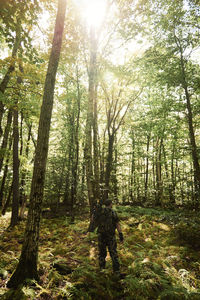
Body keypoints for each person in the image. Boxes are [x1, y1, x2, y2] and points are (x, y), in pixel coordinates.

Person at [88, 199, 124, 274]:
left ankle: (102, 270)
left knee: (102, 253)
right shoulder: (113, 212)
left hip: (101, 236)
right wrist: (120, 234)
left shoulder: (99, 211)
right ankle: (116, 272)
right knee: (113, 253)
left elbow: (92, 220)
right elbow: (117, 224)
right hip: (111, 236)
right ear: (110, 204)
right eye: (112, 204)